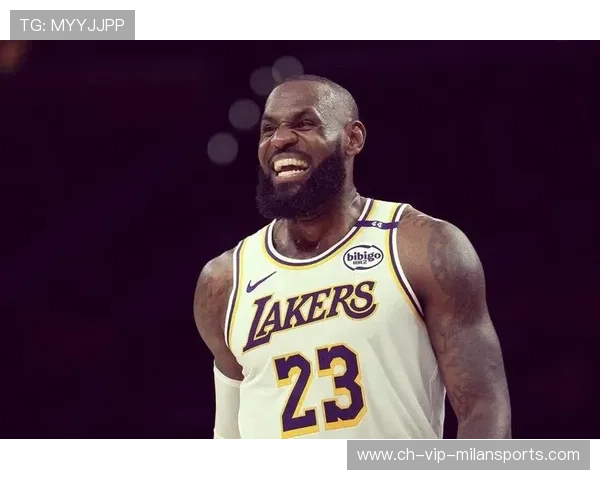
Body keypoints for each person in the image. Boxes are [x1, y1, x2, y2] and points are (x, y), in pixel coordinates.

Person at [194, 75, 511, 440]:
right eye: (268, 129)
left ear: (353, 138)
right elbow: (229, 439)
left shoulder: (421, 246)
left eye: (304, 124)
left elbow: (483, 409)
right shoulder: (224, 281)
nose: (279, 140)